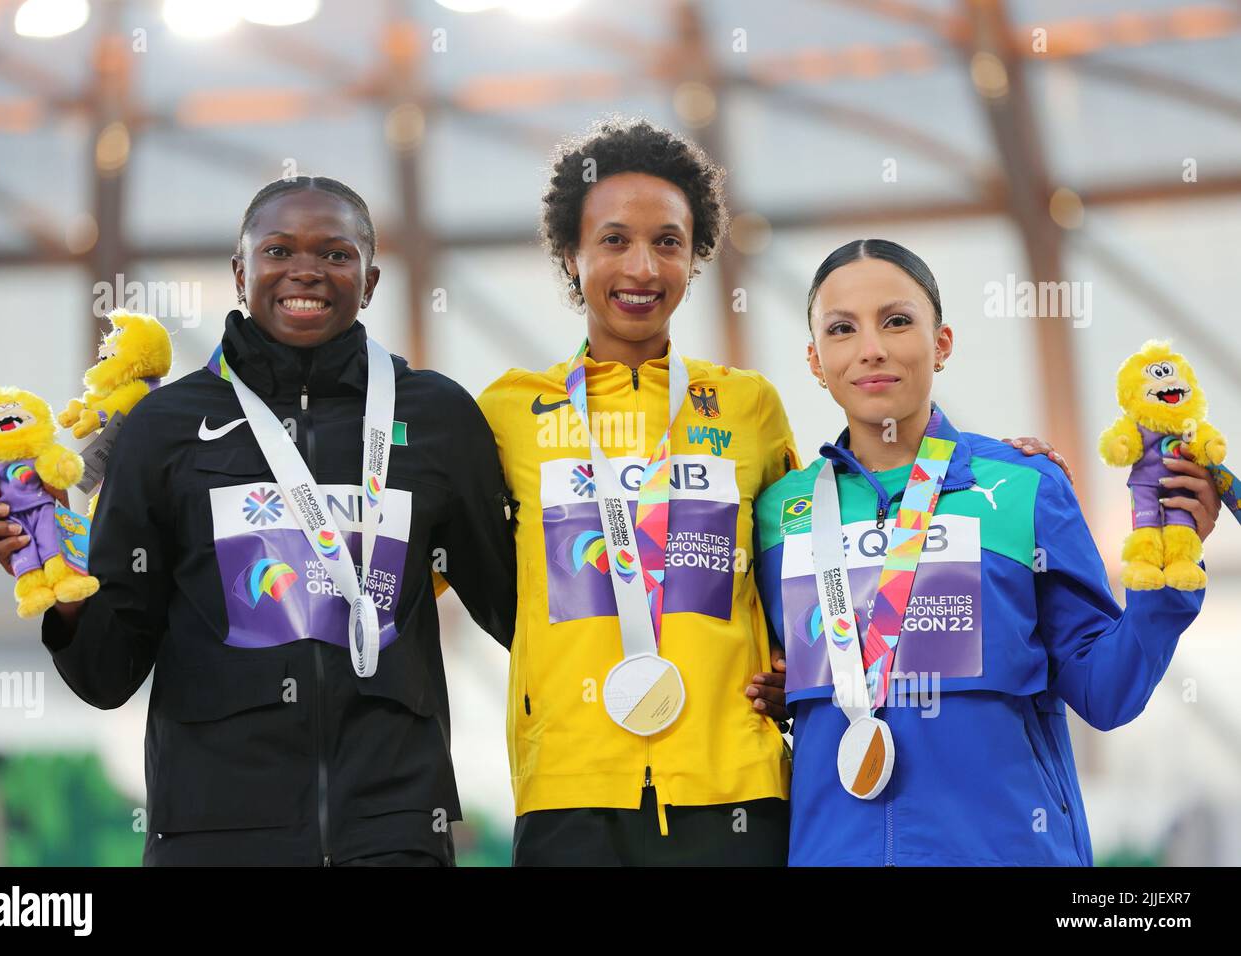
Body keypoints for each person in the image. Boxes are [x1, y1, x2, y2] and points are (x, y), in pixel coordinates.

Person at [475, 120, 1070, 866]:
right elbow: (471, 570)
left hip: (737, 786)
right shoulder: (506, 412)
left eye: (668, 241)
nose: (641, 266)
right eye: (614, 240)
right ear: (572, 254)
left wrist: (995, 462)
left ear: (695, 258)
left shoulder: (748, 408)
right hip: (568, 785)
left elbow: (810, 547)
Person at [0, 176, 516, 866]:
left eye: (336, 254)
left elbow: (520, 611)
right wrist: (60, 590)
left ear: (371, 279)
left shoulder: (436, 418)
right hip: (211, 834)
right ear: (240, 272)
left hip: (393, 832)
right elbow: (107, 674)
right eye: (279, 250)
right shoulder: (164, 429)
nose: (306, 271)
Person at [751, 238, 1222, 865]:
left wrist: (1169, 566)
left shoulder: (1025, 485)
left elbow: (1107, 693)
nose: (871, 348)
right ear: (815, 359)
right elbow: (772, 676)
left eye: (897, 321)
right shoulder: (778, 515)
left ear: (942, 342)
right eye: (842, 329)